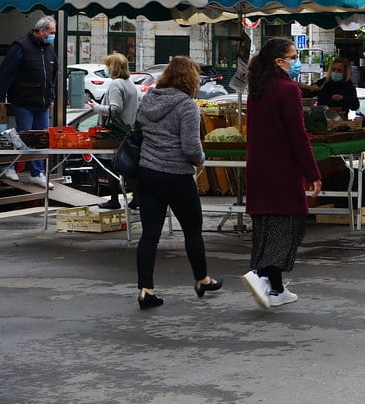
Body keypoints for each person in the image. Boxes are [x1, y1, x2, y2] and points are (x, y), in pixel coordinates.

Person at [134, 56, 222, 310]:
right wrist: (200, 161)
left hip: (148, 173)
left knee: (149, 235)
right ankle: (202, 279)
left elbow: (138, 130)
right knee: (192, 231)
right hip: (177, 177)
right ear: (191, 78)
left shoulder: (148, 98)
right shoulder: (187, 106)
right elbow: (191, 147)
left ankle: (145, 290)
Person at [241, 38, 322, 309]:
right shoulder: (287, 89)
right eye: (293, 55)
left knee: (267, 226)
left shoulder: (258, 88)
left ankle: (275, 289)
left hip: (259, 166)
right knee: (289, 226)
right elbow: (298, 135)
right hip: (281, 168)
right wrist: (312, 172)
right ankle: (260, 274)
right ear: (279, 61)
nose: (296, 60)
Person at [0, 16, 59, 188]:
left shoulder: (49, 49)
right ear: (42, 31)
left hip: (42, 104)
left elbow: (52, 76)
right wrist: (0, 96)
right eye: (52, 32)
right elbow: (6, 72)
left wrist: (51, 97)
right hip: (24, 102)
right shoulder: (21, 46)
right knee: (23, 137)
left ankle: (37, 173)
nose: (54, 35)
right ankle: (10, 166)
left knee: (40, 139)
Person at [92, 52, 140, 211]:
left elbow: (115, 108)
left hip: (115, 133)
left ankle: (114, 199)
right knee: (128, 167)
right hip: (128, 132)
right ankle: (136, 198)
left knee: (111, 166)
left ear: (113, 68)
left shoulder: (115, 85)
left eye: (107, 66)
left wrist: (96, 107)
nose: (106, 69)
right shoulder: (130, 84)